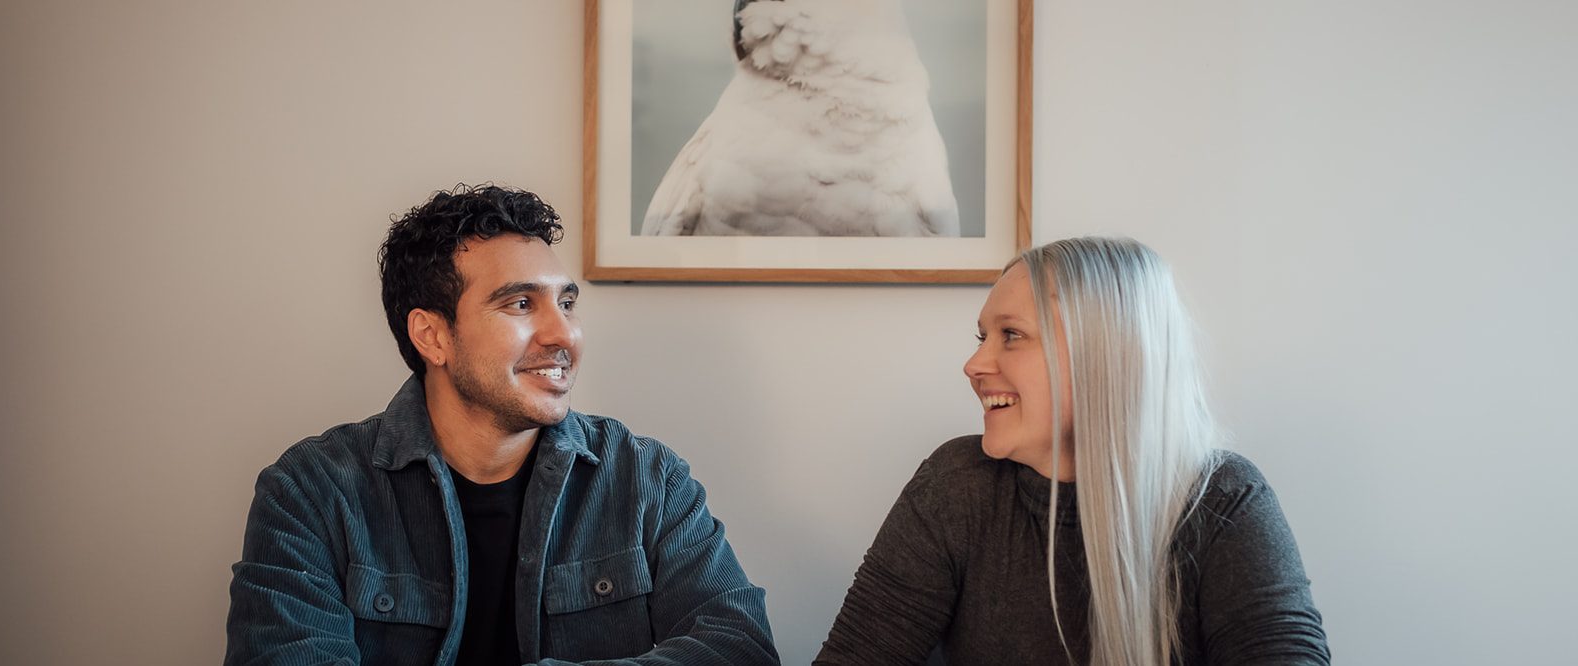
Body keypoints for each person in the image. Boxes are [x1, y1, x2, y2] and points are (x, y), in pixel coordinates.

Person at [225, 184, 778, 665]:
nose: (564, 335)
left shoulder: (647, 479)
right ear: (432, 337)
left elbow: (740, 647)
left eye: (567, 303)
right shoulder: (310, 491)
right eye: (520, 304)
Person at [815, 237, 1330, 665]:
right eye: (982, 336)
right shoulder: (958, 484)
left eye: (1011, 335)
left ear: (1104, 357)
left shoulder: (1224, 501)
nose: (974, 364)